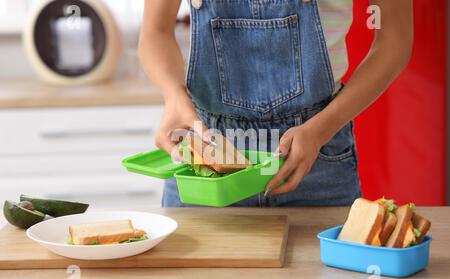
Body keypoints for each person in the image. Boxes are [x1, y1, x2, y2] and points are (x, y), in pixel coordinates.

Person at [139, 0, 413, 207]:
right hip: (206, 163)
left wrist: (320, 130)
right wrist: (174, 96)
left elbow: (394, 39)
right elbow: (156, 30)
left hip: (317, 163)